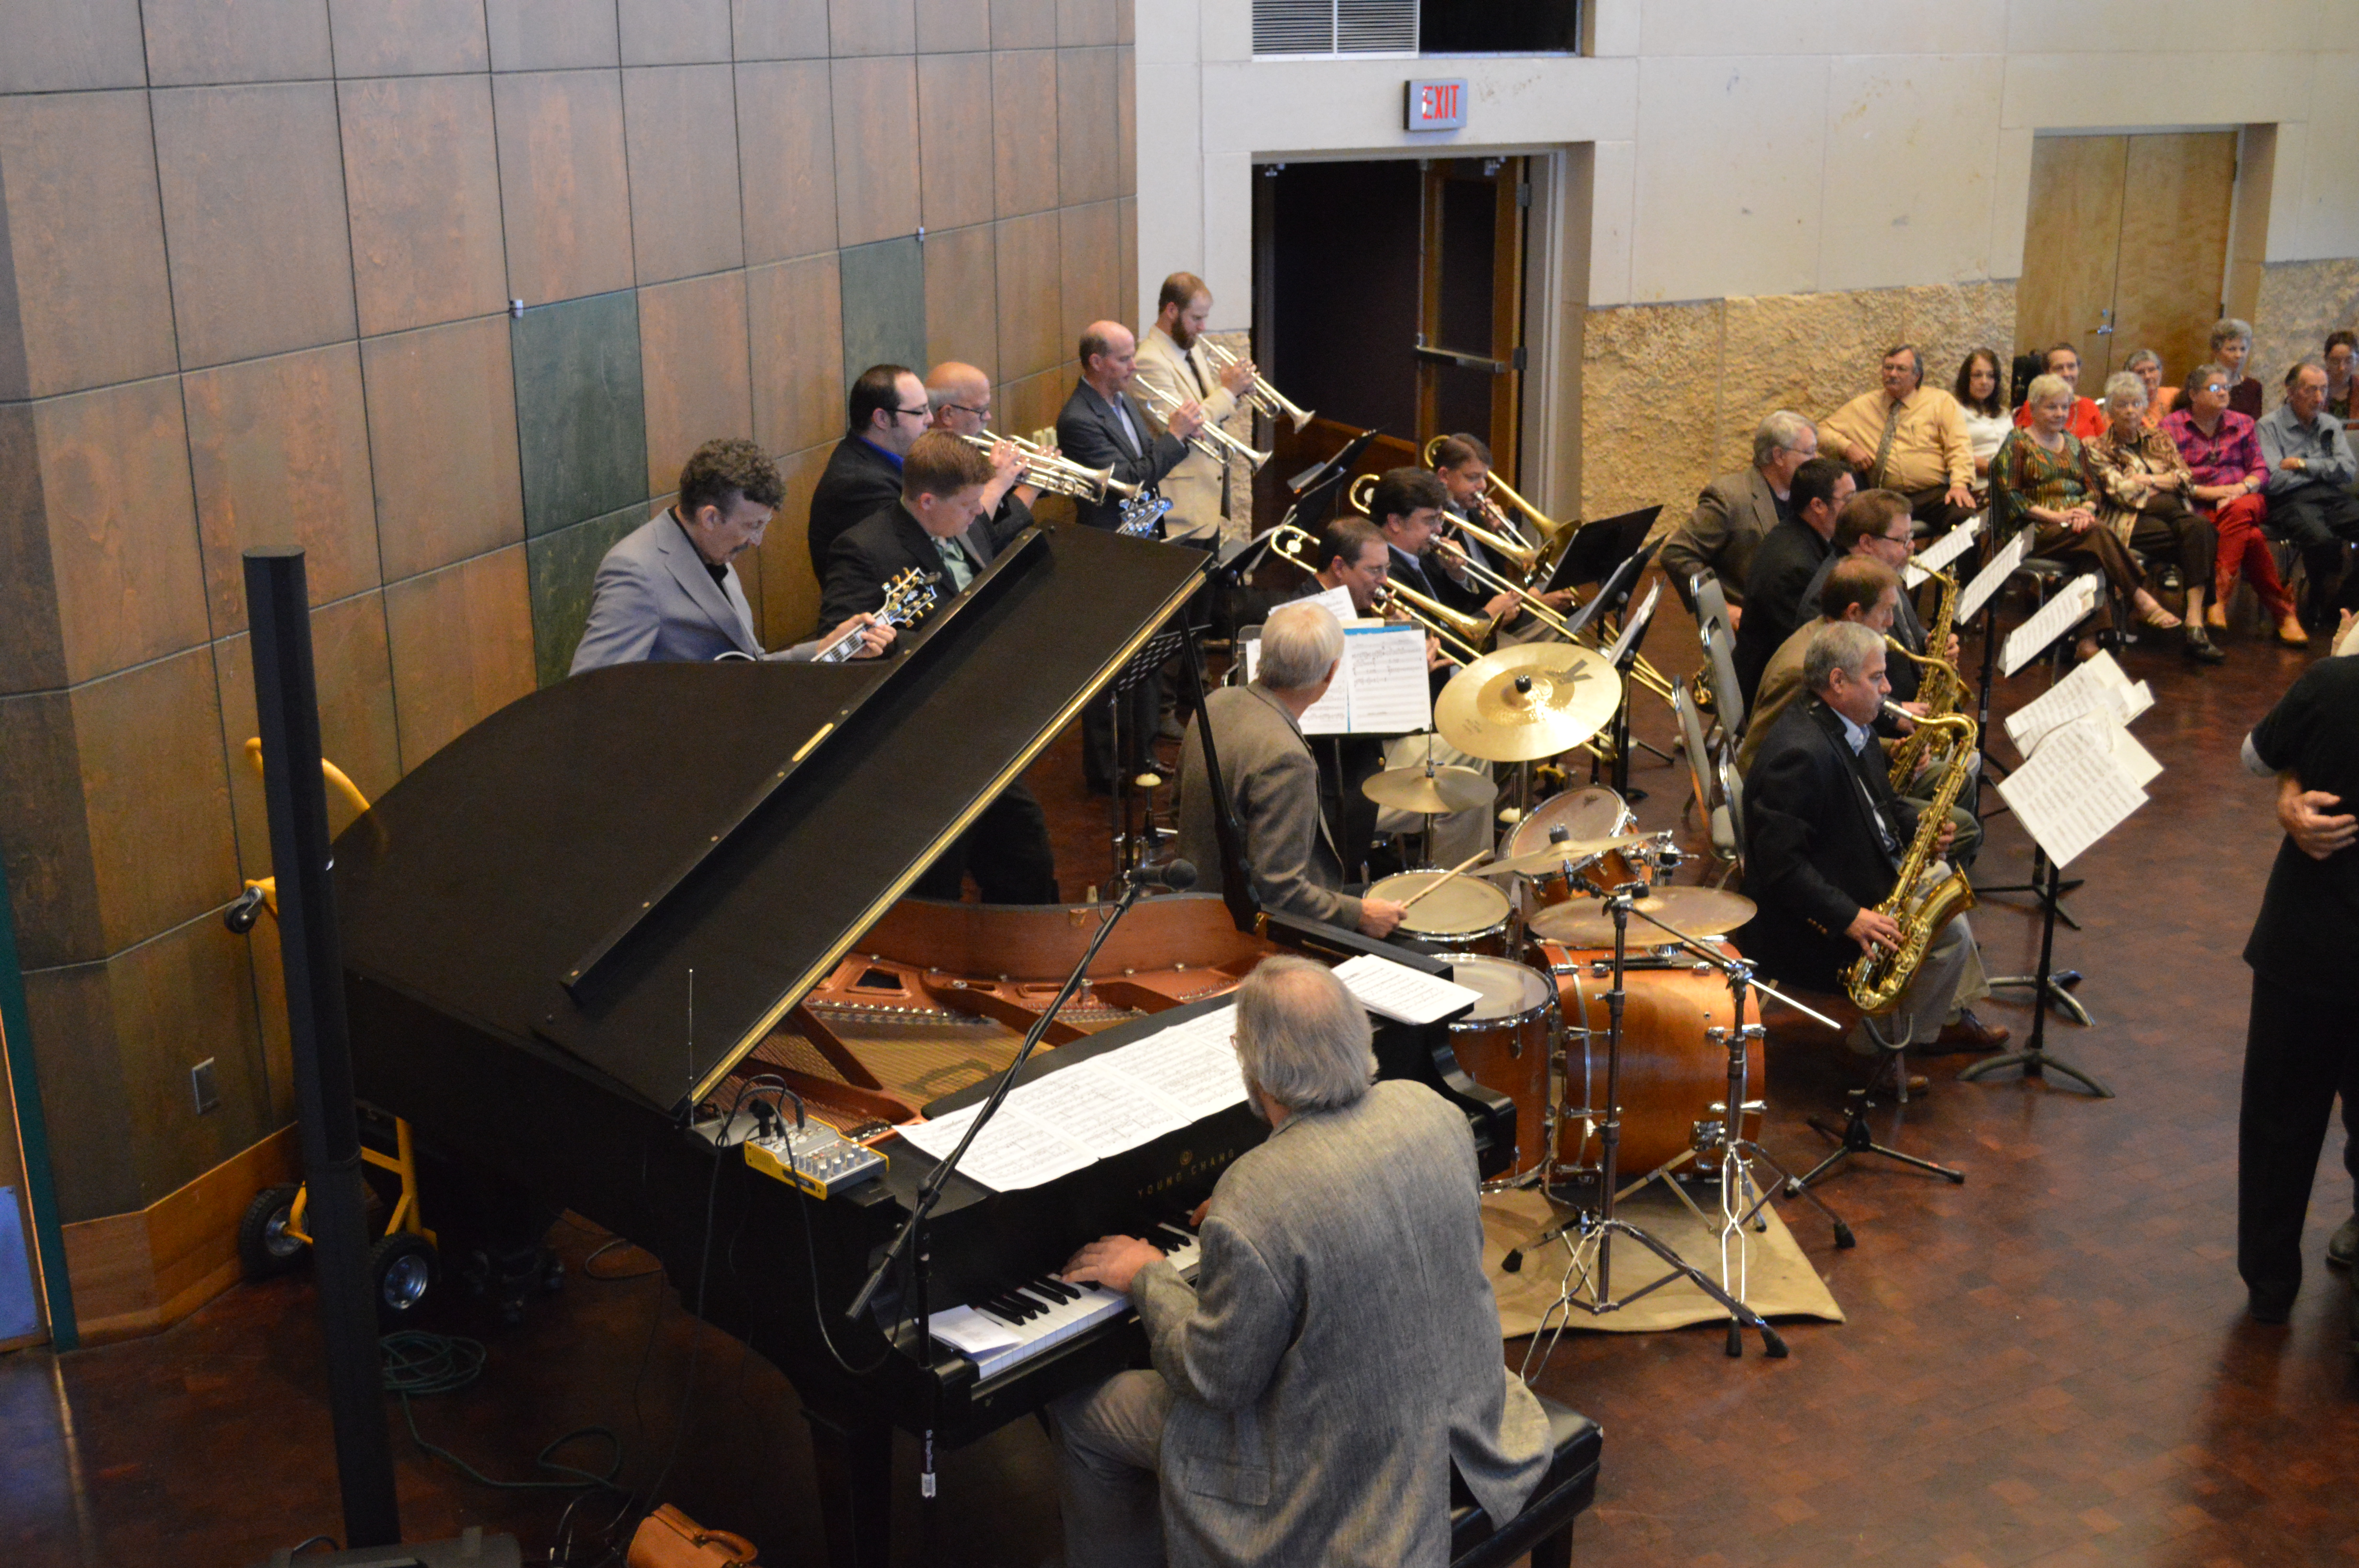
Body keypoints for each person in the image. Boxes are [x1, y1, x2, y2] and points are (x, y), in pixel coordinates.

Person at [1049, 956, 1550, 1567]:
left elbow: (1215, 1381)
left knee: (1080, 1410)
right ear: (1359, 1033)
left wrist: (1147, 1275)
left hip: (1337, 1480)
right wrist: (1251, 1229)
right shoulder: (1432, 1112)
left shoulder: (1257, 1193)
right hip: (1474, 1422)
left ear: (1250, 1061)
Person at [1738, 561, 2003, 1049]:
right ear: (1837, 682)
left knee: (1946, 893)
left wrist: (1917, 820)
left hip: (1853, 872)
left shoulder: (1846, 726)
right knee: (1950, 938)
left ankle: (1941, 1015)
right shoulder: (1800, 754)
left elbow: (1877, 803)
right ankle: (1881, 1046)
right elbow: (1781, 869)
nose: (1887, 690)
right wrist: (1852, 917)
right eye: (1877, 678)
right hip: (1808, 925)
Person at [819, 432, 1059, 904]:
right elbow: (838, 644)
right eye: (970, 505)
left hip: (980, 732)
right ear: (927, 501)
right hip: (916, 747)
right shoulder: (864, 549)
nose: (980, 514)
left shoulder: (962, 523)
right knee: (936, 887)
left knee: (1026, 858)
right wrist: (902, 645)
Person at [2235, 637, 2359, 1334]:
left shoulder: (2329, 684)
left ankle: (2270, 1283)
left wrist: (2292, 781)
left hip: (2307, 944)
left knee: (2280, 1119)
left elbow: (2255, 756)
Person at [1175, 601, 1406, 938]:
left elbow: (1177, 807)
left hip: (1197, 906)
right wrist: (1361, 914)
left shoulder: (1213, 703)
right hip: (1246, 932)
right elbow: (1279, 892)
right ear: (1331, 673)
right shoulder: (1287, 758)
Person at [571, 438, 892, 673]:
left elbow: (746, 666)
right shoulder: (636, 571)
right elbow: (594, 689)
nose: (757, 541)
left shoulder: (713, 548)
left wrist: (826, 647)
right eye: (752, 526)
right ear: (710, 518)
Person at [1058, 321, 1208, 791]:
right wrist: (1175, 437)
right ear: (1096, 363)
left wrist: (1174, 441)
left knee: (1144, 663)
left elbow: (1146, 462)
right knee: (1114, 670)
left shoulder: (1119, 401)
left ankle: (1140, 757)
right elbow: (1130, 481)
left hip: (1140, 543)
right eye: (1124, 358)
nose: (1134, 365)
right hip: (1109, 555)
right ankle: (1108, 772)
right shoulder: (1079, 418)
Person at [1991, 372, 2181, 661]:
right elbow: (2011, 498)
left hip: (2075, 527)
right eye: (2051, 407)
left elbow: (2094, 490)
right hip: (2031, 530)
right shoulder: (2017, 444)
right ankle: (2140, 596)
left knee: (2091, 555)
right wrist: (2058, 517)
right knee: (2096, 534)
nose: (2059, 414)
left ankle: (2087, 642)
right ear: (2033, 407)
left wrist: (2085, 512)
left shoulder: (2074, 444)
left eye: (2064, 407)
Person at [2086, 370, 2225, 663]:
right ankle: (2196, 627)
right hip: (2128, 522)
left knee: (2197, 529)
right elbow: (2120, 493)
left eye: (2136, 403)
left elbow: (2186, 478)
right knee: (2201, 532)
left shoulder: (2159, 437)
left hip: (2168, 518)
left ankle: (2193, 621)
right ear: (2110, 410)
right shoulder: (2097, 447)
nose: (2130, 411)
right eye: (2122, 404)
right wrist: (2165, 481)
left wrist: (2147, 481)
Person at [2166, 361, 2303, 646]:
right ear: (2193, 394)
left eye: (2227, 388)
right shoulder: (2171, 427)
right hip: (2201, 505)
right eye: (2215, 388)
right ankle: (2283, 613)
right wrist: (2210, 494)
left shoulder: (2243, 423)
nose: (2223, 393)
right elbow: (2168, 476)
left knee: (2241, 508)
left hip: (2246, 499)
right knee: (2250, 536)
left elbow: (2262, 470)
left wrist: (2241, 487)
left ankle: (2217, 599)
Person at [1658, 410, 1819, 623]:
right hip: (1754, 628)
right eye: (1809, 452)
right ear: (1779, 456)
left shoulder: (1806, 497)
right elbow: (1677, 554)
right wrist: (1721, 608)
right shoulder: (1730, 497)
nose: (1816, 460)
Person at [1133, 272, 1258, 547]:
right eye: (1196, 318)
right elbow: (1184, 425)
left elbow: (1206, 407)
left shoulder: (1189, 347)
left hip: (1206, 499)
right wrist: (1228, 392)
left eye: (1205, 318)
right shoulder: (1149, 361)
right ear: (1172, 311)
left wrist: (1235, 392)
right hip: (1181, 506)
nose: (1202, 327)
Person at [1816, 344, 1977, 532]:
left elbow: (1959, 447)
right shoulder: (1864, 406)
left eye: (1901, 369)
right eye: (1888, 368)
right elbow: (1820, 431)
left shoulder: (1940, 402)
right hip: (1886, 498)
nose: (1892, 374)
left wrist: (1959, 485)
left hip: (1933, 495)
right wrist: (1847, 447)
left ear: (1917, 376)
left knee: (1965, 519)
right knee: (1857, 524)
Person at [1732, 456, 1854, 702]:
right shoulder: (1796, 567)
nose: (1856, 508)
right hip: (1774, 695)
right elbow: (1814, 652)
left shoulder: (1799, 534)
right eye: (1849, 500)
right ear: (1818, 506)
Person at [2258, 360, 2359, 626]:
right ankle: (2316, 599)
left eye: (2324, 390)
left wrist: (2303, 464)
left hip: (2331, 496)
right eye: (2311, 390)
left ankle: (2341, 605)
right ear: (2291, 392)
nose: (2319, 398)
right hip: (2290, 500)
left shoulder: (2330, 424)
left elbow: (2348, 471)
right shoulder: (2269, 426)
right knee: (2323, 540)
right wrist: (2327, 468)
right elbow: (2275, 480)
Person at [807, 364, 931, 576]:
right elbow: (919, 557)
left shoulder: (882, 461)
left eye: (928, 408)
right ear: (882, 419)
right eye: (920, 412)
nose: (931, 419)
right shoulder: (860, 485)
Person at [925, 361, 1034, 552]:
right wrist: (1026, 488)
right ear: (948, 414)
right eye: (980, 411)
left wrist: (1013, 479)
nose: (989, 417)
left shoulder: (969, 449)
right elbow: (974, 544)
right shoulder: (928, 468)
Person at [2009, 343, 2108, 441]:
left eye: (2071, 367)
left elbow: (2103, 445)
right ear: (2047, 372)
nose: (2066, 373)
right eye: (2059, 368)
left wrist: (2094, 445)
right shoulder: (2035, 405)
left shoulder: (2089, 406)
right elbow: (2022, 443)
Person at [1952, 348, 2012, 486]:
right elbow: (1953, 453)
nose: (1985, 382)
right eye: (1977, 375)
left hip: (2009, 483)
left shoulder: (2004, 413)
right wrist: (1994, 470)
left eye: (1990, 376)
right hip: (1975, 485)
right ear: (1967, 379)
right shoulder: (1956, 411)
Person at [2210, 318, 2264, 421]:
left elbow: (2255, 428)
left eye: (2243, 349)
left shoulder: (2253, 387)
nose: (2239, 355)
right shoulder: (2205, 385)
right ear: (2217, 352)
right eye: (2232, 349)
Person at [2124, 348, 2177, 425]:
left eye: (2152, 370)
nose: (2148, 376)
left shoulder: (2174, 395)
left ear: (2160, 372)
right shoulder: (2122, 408)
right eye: (2141, 372)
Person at [2326, 330, 2355, 423]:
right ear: (2326, 360)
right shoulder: (2312, 389)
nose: (2342, 368)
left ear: (2357, 360)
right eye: (2336, 361)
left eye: (2349, 361)